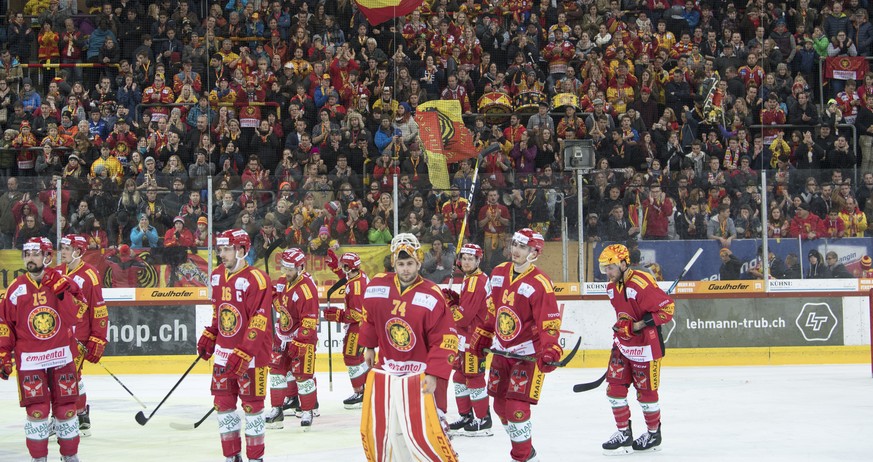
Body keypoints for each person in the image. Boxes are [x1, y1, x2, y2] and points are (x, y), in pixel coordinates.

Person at [359, 233, 459, 461]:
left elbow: (445, 339)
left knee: (427, 433)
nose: (405, 269)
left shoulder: (432, 294)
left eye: (410, 263)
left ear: (419, 262)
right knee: (392, 431)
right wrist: (369, 346)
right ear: (394, 262)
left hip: (420, 374)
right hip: (388, 371)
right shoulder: (377, 286)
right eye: (401, 263)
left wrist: (434, 374)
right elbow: (370, 319)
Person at [468, 228, 563, 462]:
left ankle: (521, 457)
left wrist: (550, 348)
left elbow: (549, 323)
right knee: (500, 407)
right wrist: (483, 334)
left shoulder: (540, 283)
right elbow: (492, 311)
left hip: (527, 356)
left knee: (516, 409)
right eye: (515, 245)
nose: (516, 250)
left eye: (522, 247)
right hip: (502, 352)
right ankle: (527, 451)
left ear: (535, 252)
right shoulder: (499, 272)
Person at [0, 237, 86, 462]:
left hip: (61, 355)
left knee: (66, 409)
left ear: (46, 256)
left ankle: (70, 456)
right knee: (37, 410)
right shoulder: (16, 289)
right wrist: (3, 355)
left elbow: (75, 316)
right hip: (30, 360)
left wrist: (62, 293)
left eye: (35, 253)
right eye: (27, 254)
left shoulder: (63, 281)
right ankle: (39, 459)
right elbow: (4, 324)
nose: (30, 258)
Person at [196, 229, 272, 462]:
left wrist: (245, 352)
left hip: (252, 357)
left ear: (242, 250)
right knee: (223, 405)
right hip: (223, 355)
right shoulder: (217, 275)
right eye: (220, 250)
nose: (222, 254)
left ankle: (255, 458)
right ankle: (232, 456)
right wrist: (212, 333)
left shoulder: (258, 279)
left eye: (227, 249)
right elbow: (220, 313)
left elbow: (259, 321)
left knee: (252, 408)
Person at [598, 243, 675, 454]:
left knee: (646, 394)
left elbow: (667, 310)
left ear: (624, 263)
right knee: (614, 389)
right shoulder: (611, 288)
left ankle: (653, 433)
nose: (607, 273)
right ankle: (624, 432)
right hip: (623, 346)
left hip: (646, 347)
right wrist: (622, 330)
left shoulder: (641, 284)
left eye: (610, 267)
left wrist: (639, 325)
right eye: (604, 268)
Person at [58, 234, 108, 438]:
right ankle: (80, 413)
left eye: (67, 249)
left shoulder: (90, 274)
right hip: (57, 335)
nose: (63, 252)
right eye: (62, 248)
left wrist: (97, 338)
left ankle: (66, 416)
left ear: (78, 251)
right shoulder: (57, 272)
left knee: (70, 375)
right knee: (68, 376)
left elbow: (99, 309)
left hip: (79, 335)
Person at [264, 248, 320, 430]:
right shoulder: (283, 281)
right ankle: (277, 410)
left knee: (303, 376)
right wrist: (269, 294)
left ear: (300, 267)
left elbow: (310, 322)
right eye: (284, 267)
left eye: (290, 269)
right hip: (282, 336)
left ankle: (307, 411)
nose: (285, 273)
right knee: (276, 373)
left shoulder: (307, 289)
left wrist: (299, 342)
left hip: (302, 339)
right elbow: (278, 301)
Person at [443, 244, 494, 437]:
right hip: (466, 336)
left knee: (473, 377)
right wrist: (454, 298)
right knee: (459, 377)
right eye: (464, 258)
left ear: (478, 261)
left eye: (470, 259)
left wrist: (449, 305)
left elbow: (463, 317)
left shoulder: (475, 281)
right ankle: (466, 416)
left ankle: (483, 420)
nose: (466, 262)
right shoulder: (471, 278)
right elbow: (468, 306)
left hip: (475, 337)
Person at [324, 250, 370, 409]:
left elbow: (357, 314)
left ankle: (360, 393)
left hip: (358, 327)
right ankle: (368, 388)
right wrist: (337, 270)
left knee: (351, 357)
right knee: (358, 357)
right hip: (363, 326)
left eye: (343, 266)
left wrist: (338, 315)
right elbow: (346, 277)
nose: (341, 268)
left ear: (350, 267)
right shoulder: (358, 276)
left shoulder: (356, 286)